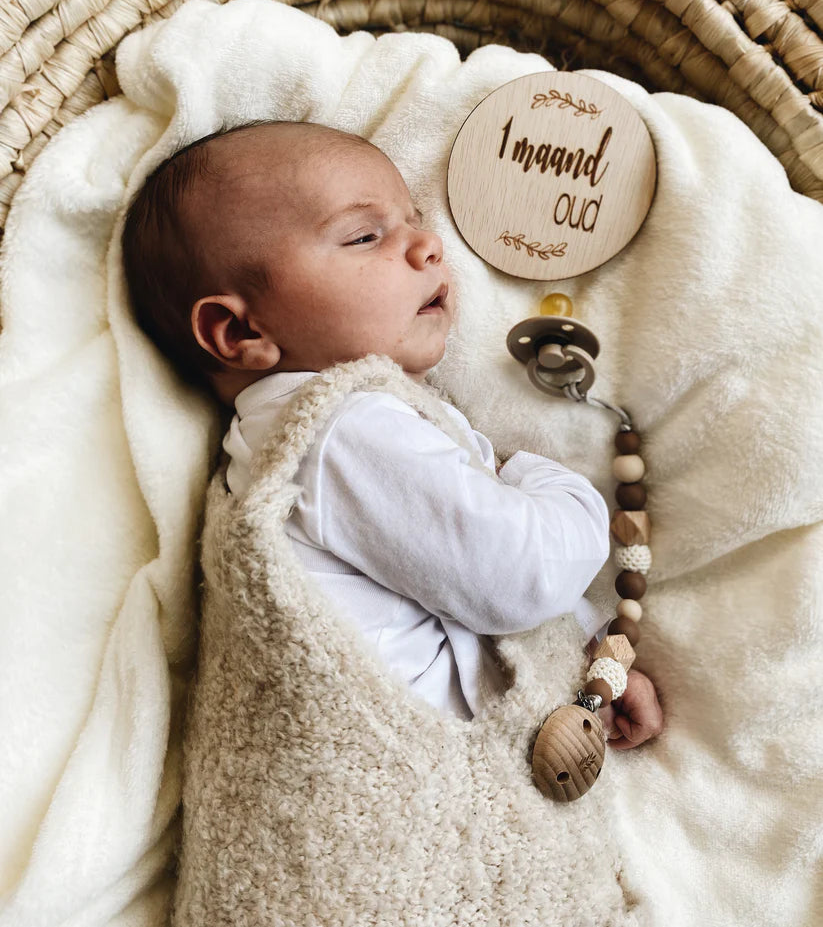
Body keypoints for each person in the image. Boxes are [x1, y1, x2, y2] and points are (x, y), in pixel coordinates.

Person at [121, 118, 664, 748]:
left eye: (412, 219)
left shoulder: (310, 435)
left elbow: (467, 580)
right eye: (362, 235)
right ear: (240, 333)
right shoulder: (337, 430)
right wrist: (538, 478)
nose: (429, 245)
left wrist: (598, 666)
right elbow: (522, 573)